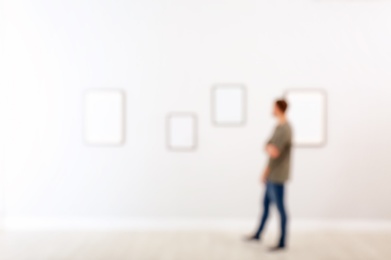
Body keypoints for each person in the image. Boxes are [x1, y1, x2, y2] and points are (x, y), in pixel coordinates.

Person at [246, 99, 292, 251]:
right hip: (271, 174)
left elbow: (274, 152)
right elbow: (267, 145)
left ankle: (282, 242)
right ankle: (258, 234)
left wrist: (265, 170)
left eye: (273, 107)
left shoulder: (286, 129)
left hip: (277, 175)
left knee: (280, 209)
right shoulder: (278, 127)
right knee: (265, 205)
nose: (271, 109)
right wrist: (268, 147)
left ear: (279, 108)